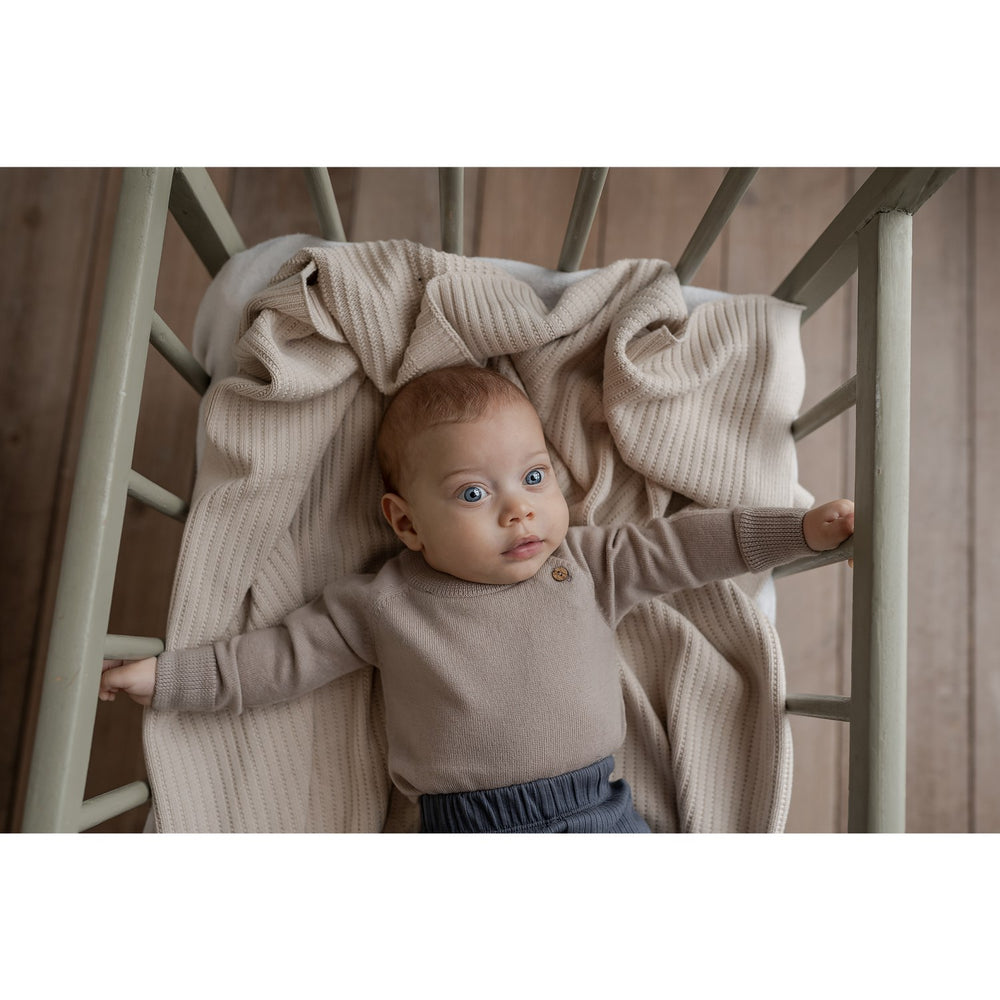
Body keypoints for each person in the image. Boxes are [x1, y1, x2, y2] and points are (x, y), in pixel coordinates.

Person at [101, 365, 855, 833]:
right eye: (472, 493)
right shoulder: (383, 604)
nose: (519, 509)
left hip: (599, 811)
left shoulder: (587, 563)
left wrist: (795, 530)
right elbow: (276, 660)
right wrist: (168, 679)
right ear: (406, 524)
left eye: (535, 477)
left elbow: (689, 545)